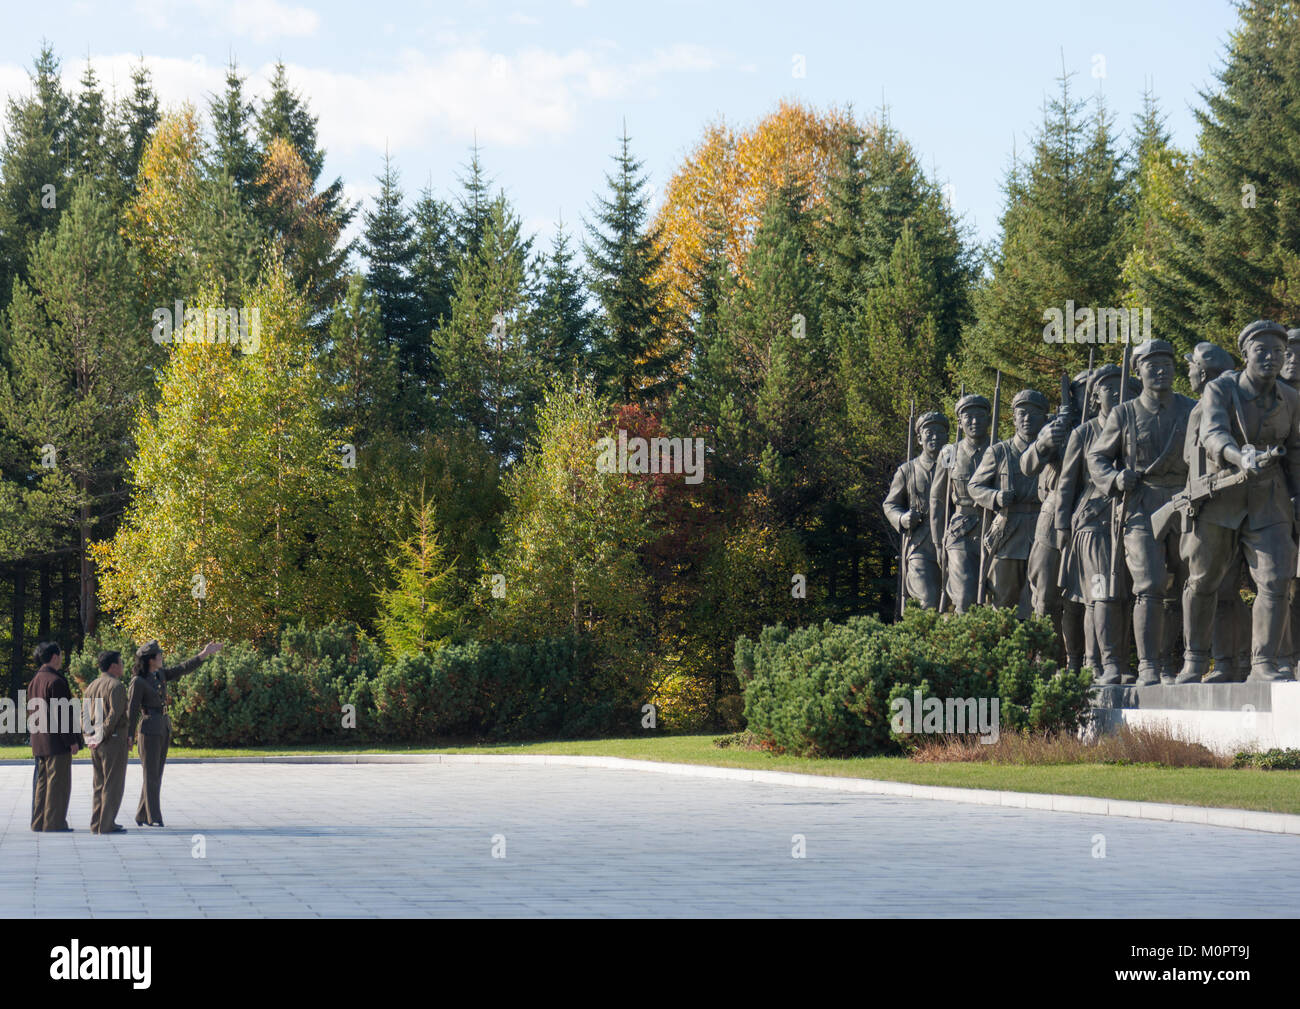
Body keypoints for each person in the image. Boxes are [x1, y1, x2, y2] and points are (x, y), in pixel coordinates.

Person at [1179, 320, 1300, 683]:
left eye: (1278, 351)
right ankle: (1195, 661)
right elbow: (1212, 432)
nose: (1271, 357)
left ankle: (1263, 664)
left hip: (1269, 497)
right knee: (1203, 580)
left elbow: (1295, 451)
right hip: (1221, 492)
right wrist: (1237, 454)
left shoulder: (1291, 399)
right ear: (1244, 353)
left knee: (1276, 577)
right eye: (1261, 350)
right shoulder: (1221, 389)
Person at [1088, 339, 1195, 686]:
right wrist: (1116, 478)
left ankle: (1171, 663)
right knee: (1148, 585)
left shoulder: (1192, 409)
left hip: (1185, 502)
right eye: (1152, 364)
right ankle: (1148, 664)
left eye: (1166, 363)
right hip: (1141, 507)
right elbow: (1097, 458)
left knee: (1187, 584)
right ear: (1138, 371)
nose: (1161, 370)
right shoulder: (1124, 413)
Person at [1182, 342, 1248, 682]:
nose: (1188, 372)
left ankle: (1202, 661)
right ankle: (1227, 663)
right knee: (1224, 589)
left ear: (1204, 372)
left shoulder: (1204, 406)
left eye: (1191, 366)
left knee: (1205, 585)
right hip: (1221, 501)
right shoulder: (1242, 395)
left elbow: (1191, 459)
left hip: (1217, 504)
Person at [969, 389, 1050, 613]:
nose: (1027, 419)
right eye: (1022, 413)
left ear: (1045, 418)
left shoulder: (1052, 453)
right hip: (1008, 533)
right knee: (1002, 600)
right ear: (1013, 418)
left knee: (1042, 602)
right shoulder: (999, 451)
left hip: (1042, 529)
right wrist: (995, 497)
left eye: (1034, 413)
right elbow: (974, 486)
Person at [128, 639, 223, 826]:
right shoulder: (138, 681)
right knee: (151, 774)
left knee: (156, 773)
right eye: (159, 655)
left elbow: (182, 668)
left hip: (162, 725)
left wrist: (203, 654)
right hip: (149, 729)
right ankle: (153, 817)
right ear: (150, 660)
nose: (162, 657)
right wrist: (129, 736)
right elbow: (131, 710)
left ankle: (142, 814)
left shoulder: (159, 674)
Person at [929, 394, 992, 613]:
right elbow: (937, 499)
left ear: (989, 419)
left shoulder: (999, 449)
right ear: (960, 422)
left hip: (992, 527)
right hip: (960, 531)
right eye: (969, 417)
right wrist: (938, 542)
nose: (975, 422)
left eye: (980, 416)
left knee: (994, 596)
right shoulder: (949, 453)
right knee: (964, 594)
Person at [883, 411, 949, 610]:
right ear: (919, 438)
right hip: (920, 544)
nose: (935, 436)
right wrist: (902, 518)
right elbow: (890, 504)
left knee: (953, 603)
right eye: (929, 432)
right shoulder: (907, 470)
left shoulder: (955, 467)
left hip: (951, 541)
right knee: (927, 600)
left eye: (940, 432)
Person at [28, 641, 81, 832]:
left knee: (42, 784)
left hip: (39, 740)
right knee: (58, 784)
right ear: (55, 657)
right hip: (56, 742)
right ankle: (54, 822)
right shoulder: (56, 681)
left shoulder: (35, 681)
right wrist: (72, 741)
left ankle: (38, 821)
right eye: (60, 655)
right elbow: (63, 714)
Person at [84, 650, 130, 834]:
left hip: (95, 741)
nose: (123, 666)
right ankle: (107, 824)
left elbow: (84, 714)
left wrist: (90, 735)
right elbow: (114, 715)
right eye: (121, 663)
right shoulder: (116, 686)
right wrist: (101, 735)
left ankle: (96, 823)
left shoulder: (91, 686)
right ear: (113, 666)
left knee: (99, 783)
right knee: (113, 783)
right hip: (112, 740)